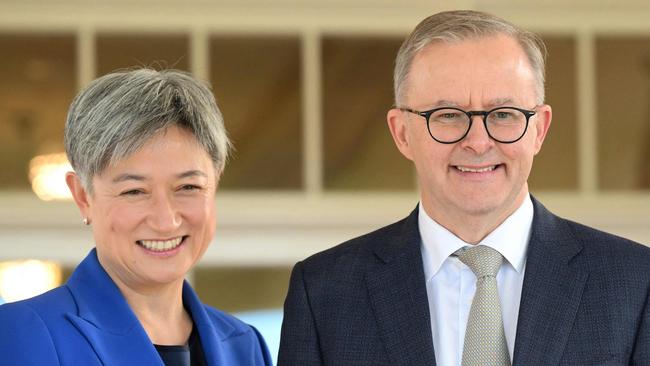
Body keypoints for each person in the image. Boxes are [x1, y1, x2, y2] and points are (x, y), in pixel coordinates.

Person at [278, 10, 650, 366]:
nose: (477, 141)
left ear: (539, 129)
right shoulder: (325, 294)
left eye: (503, 114)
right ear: (402, 132)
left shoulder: (635, 282)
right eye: (448, 115)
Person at [0, 69, 272, 365]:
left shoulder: (245, 346)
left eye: (188, 187)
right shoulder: (21, 334)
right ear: (82, 196)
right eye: (134, 191)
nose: (166, 221)